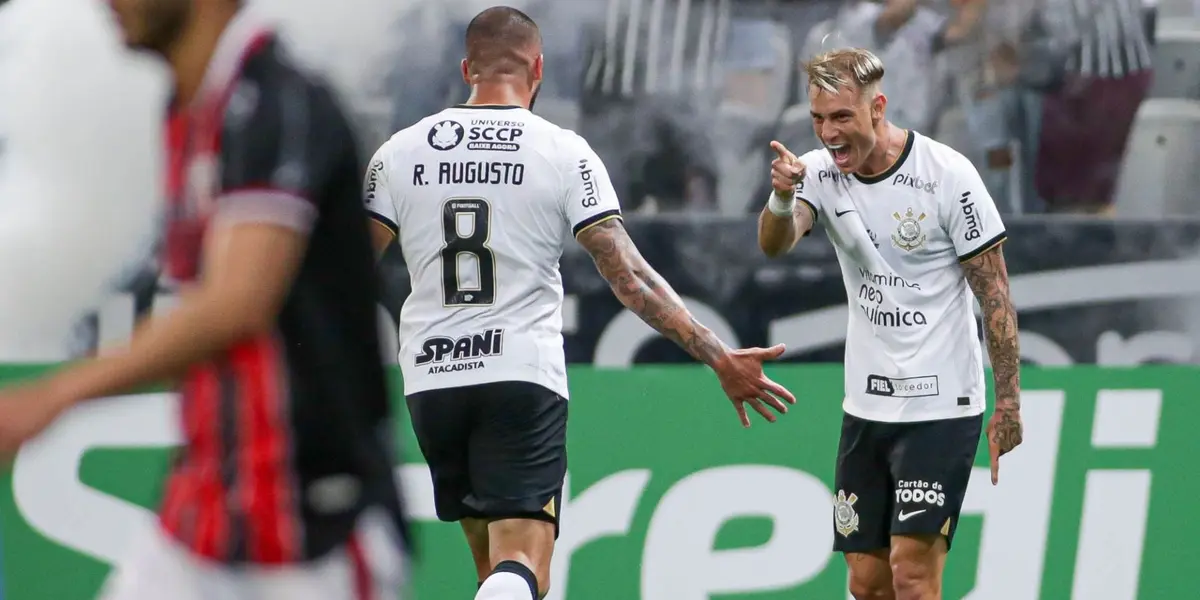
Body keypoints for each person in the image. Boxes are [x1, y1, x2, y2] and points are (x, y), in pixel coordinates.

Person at [364, 6, 795, 600]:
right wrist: (719, 355)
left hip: (432, 382)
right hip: (518, 375)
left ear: (467, 69)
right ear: (538, 69)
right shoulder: (562, 151)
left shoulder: (398, 152)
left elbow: (347, 267)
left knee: (493, 572)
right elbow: (631, 279)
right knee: (523, 569)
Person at [0, 1, 409, 599]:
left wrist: (54, 397)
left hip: (310, 532)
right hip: (202, 516)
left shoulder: (276, 101)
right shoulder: (189, 109)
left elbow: (236, 303)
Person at [757, 48, 1023, 600]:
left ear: (877, 108)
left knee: (913, 574)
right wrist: (782, 198)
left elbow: (995, 293)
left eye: (842, 118)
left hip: (941, 404)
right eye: (818, 119)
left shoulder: (948, 175)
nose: (829, 134)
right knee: (868, 582)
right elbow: (776, 243)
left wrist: (1009, 403)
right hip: (867, 404)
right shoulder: (818, 175)